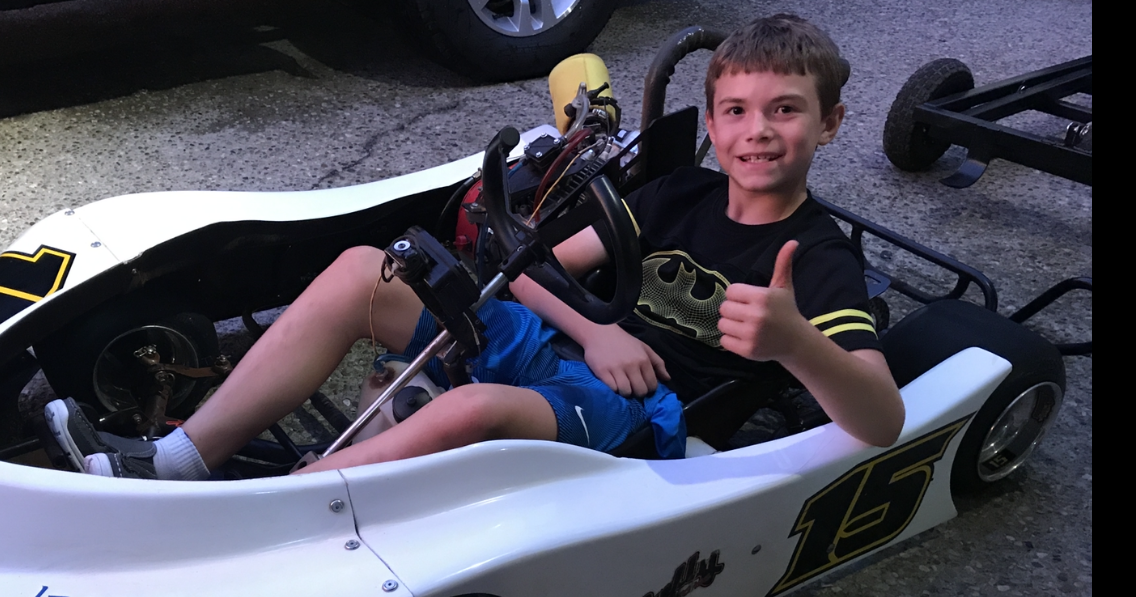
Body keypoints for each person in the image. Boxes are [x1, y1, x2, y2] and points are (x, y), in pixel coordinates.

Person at [47, 13, 904, 481]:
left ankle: (275, 510)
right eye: (738, 112)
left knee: (469, 410)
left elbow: (880, 417)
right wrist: (597, 328)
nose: (758, 132)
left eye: (785, 110)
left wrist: (795, 341)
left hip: (650, 415)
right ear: (712, 122)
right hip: (579, 352)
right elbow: (526, 274)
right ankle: (181, 460)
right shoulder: (678, 191)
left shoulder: (818, 255)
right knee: (361, 271)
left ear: (829, 124)